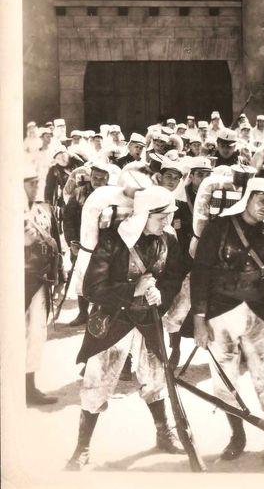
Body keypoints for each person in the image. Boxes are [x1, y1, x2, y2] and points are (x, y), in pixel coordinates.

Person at [66, 186, 186, 470]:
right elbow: (92, 288)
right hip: (112, 322)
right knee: (96, 383)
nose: (167, 224)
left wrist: (162, 296)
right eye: (162, 218)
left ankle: (164, 433)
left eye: (169, 217)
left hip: (148, 321)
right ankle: (82, 449)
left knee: (155, 379)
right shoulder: (112, 240)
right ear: (144, 215)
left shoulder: (168, 239)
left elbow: (174, 276)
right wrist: (134, 289)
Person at [190, 178, 264, 461]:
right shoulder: (219, 228)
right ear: (247, 198)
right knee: (224, 375)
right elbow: (201, 272)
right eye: (260, 201)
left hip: (257, 309)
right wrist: (199, 318)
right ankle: (237, 435)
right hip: (220, 310)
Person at [24, 164, 63, 406]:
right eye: (30, 182)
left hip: (40, 281)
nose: (36, 186)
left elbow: (56, 244)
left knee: (36, 333)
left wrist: (59, 276)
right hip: (14, 282)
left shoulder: (44, 209)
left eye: (37, 181)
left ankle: (29, 386)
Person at [62, 162, 115, 326]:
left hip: (103, 247)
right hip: (80, 245)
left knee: (102, 278)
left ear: (107, 180)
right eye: (95, 178)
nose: (97, 182)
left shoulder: (111, 196)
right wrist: (72, 241)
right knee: (81, 277)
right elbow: (68, 219)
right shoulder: (79, 193)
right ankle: (82, 313)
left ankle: (97, 313)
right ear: (90, 177)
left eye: (102, 179)